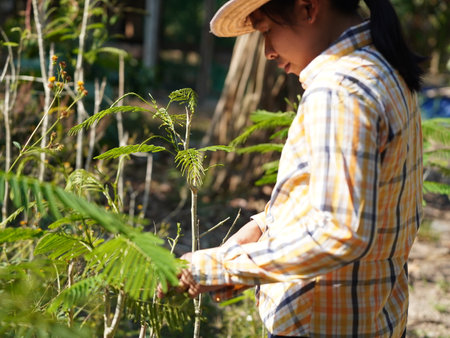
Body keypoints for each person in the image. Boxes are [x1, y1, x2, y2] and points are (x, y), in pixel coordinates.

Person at [164, 0, 425, 336]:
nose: (268, 52)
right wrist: (263, 227)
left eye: (268, 31)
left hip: (322, 322)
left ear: (307, 8)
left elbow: (338, 232)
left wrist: (218, 267)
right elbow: (347, 191)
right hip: (374, 314)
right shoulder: (380, 69)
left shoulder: (338, 90)